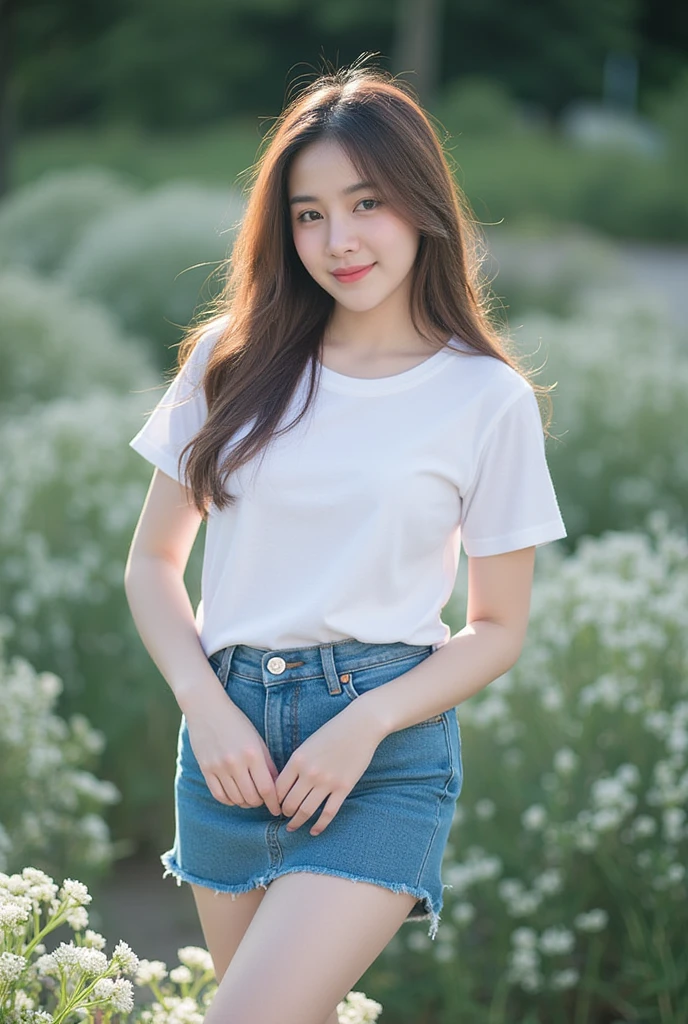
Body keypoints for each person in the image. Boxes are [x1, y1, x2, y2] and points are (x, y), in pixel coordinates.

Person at [124, 59, 567, 1024]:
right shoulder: (230, 358)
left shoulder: (485, 398)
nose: (339, 239)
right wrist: (204, 703)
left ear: (422, 204)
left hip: (380, 748)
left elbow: (497, 629)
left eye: (365, 202)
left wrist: (364, 723)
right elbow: (153, 561)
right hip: (229, 737)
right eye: (309, 212)